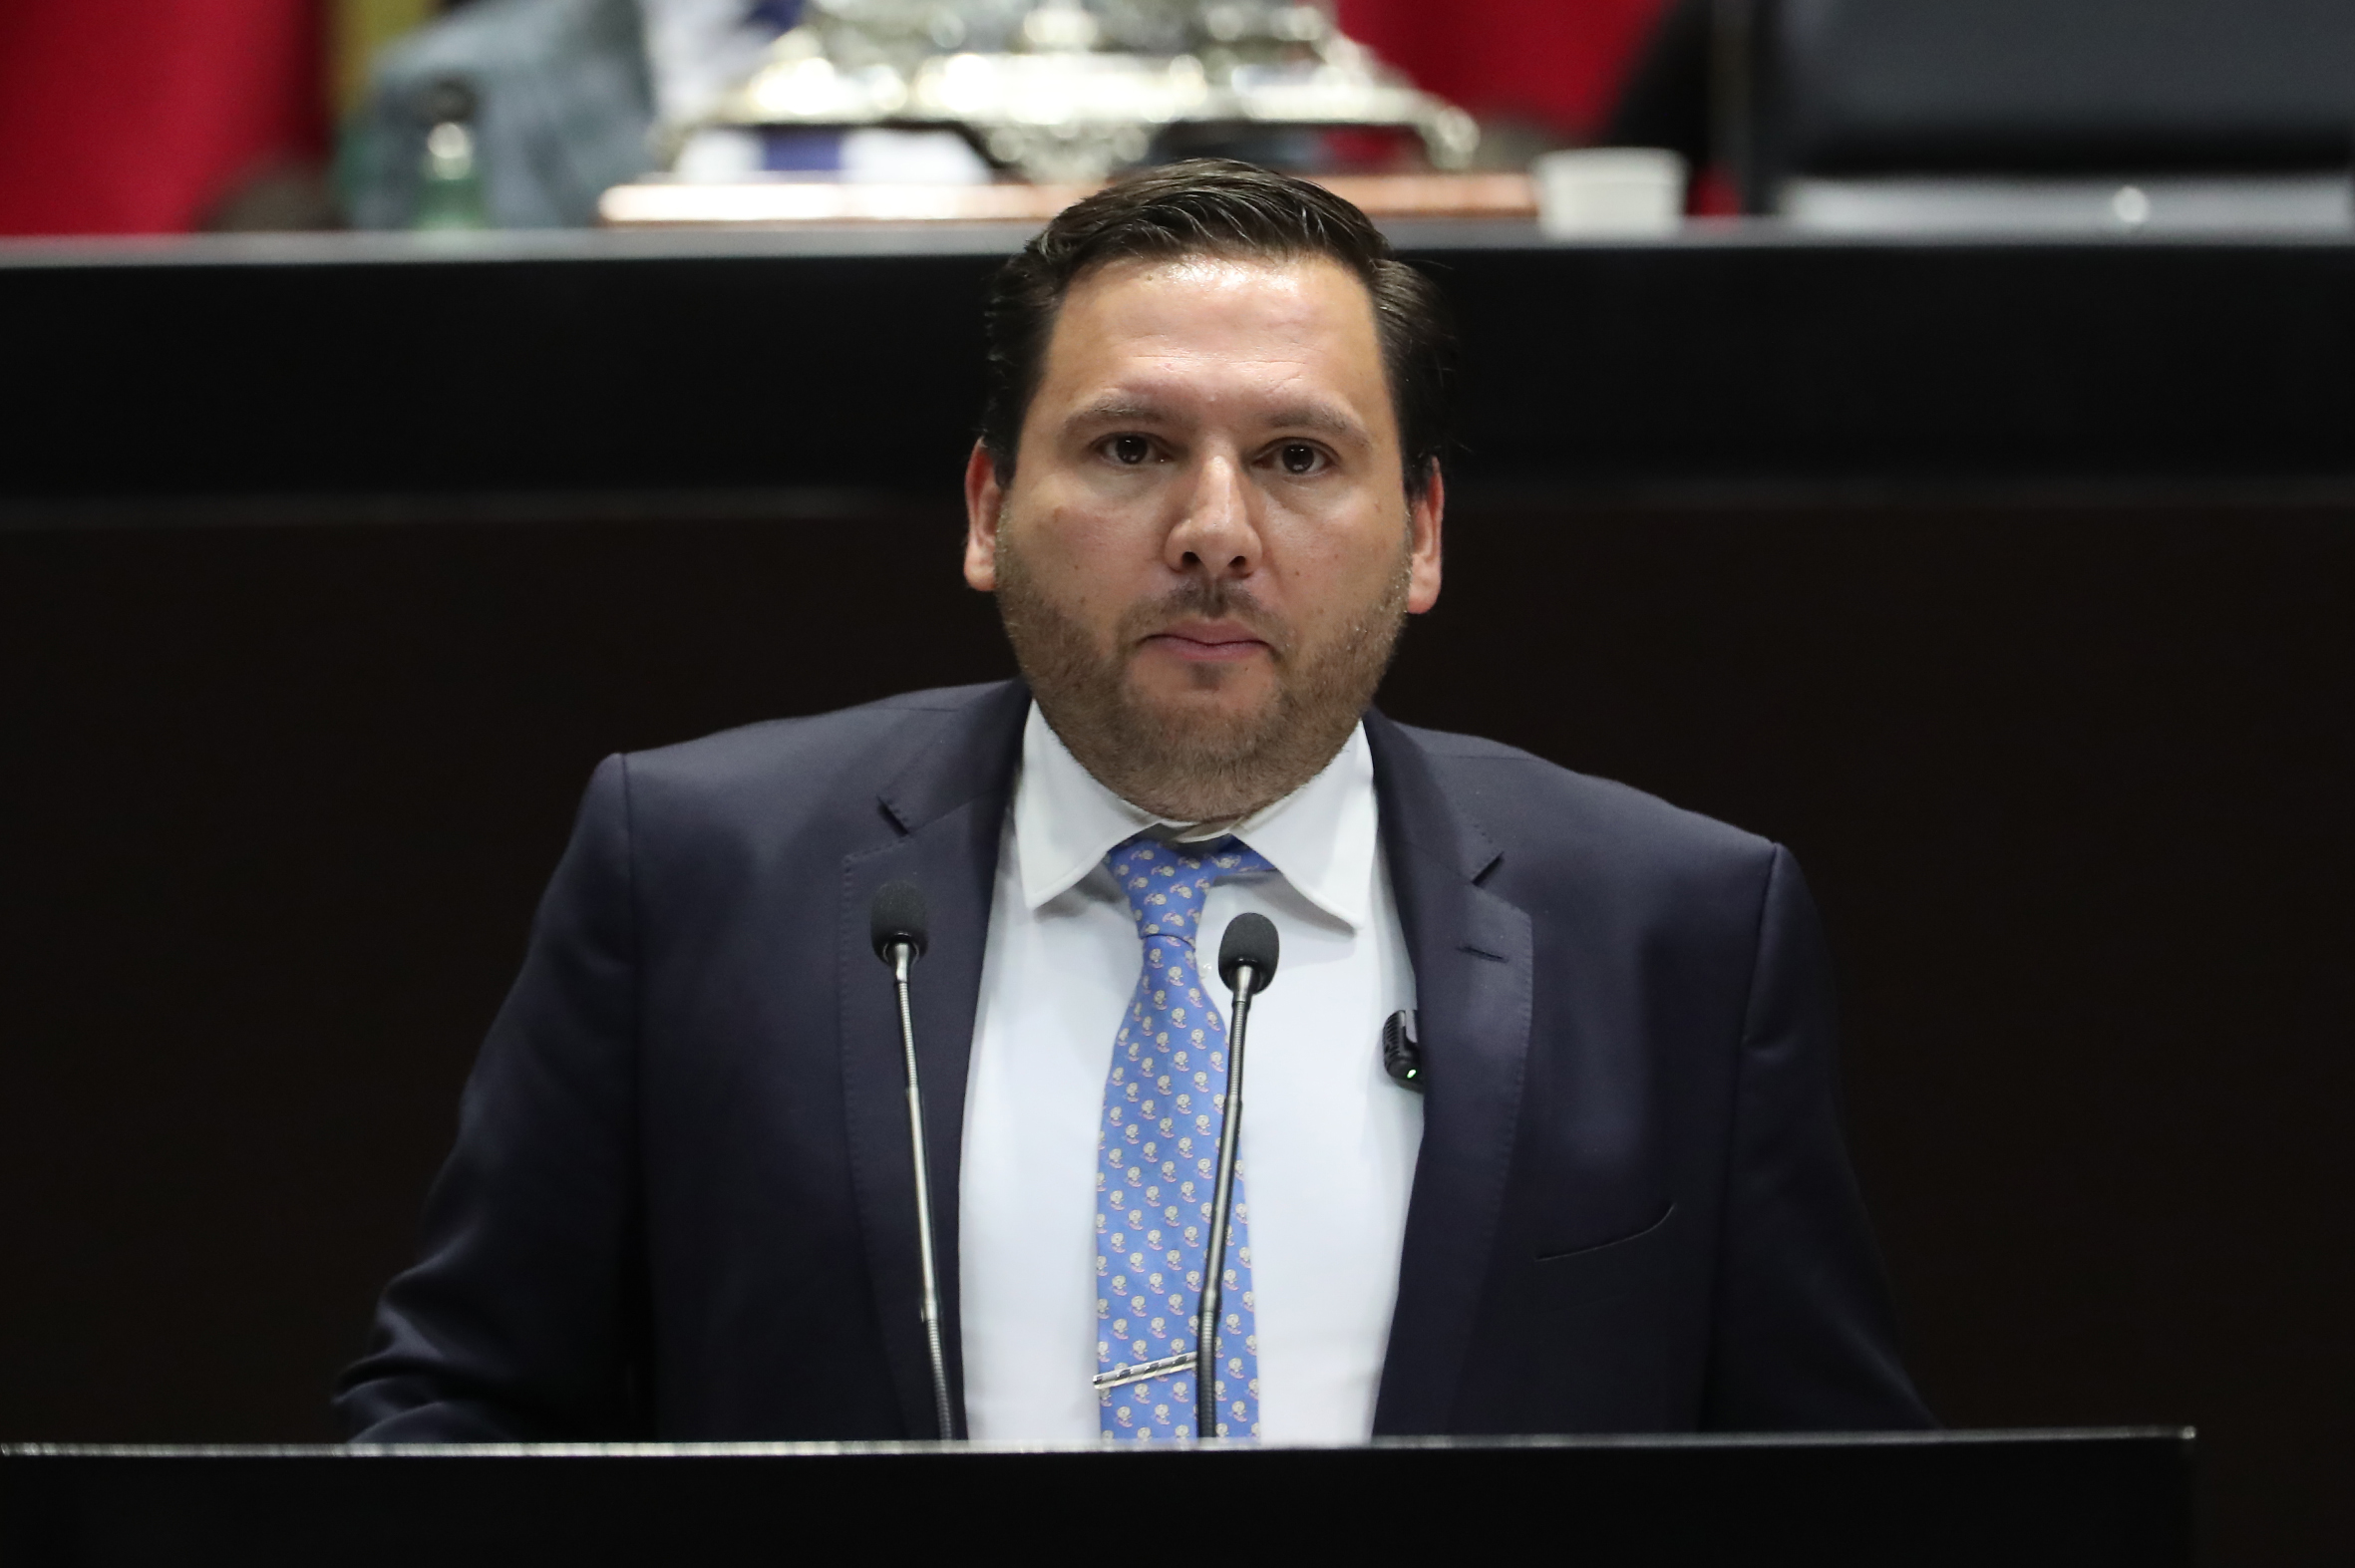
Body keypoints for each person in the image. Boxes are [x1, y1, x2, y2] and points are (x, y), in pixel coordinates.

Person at [337, 159, 1930, 1443]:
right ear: (987, 508)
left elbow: (1835, 1492)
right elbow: (456, 1408)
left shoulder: (1672, 927)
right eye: (1129, 446)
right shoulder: (698, 866)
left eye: (1297, 457)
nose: (1213, 529)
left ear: (1424, 534)